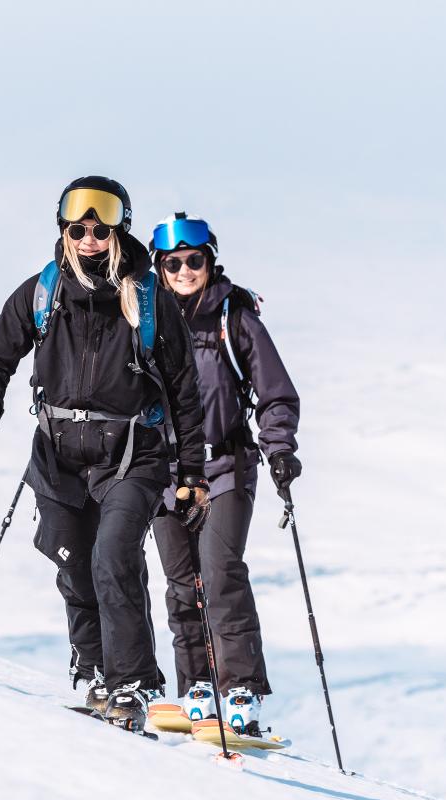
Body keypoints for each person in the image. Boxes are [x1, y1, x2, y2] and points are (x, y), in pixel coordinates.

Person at [0, 178, 210, 732]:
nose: (91, 239)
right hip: (57, 455)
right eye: (80, 229)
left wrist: (193, 474)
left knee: (112, 558)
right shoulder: (41, 293)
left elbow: (184, 392)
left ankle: (133, 684)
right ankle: (93, 669)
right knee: (72, 563)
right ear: (65, 232)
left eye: (102, 229)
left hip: (132, 454)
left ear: (119, 229)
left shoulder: (149, 299)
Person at [147, 212, 301, 736]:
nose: (185, 270)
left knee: (220, 573)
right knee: (179, 582)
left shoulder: (235, 318)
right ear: (159, 269)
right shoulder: (145, 322)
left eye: (195, 260)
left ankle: (240, 689)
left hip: (225, 465)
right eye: (173, 263)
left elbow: (276, 393)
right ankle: (195, 685)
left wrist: (279, 447)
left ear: (210, 260)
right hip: (165, 471)